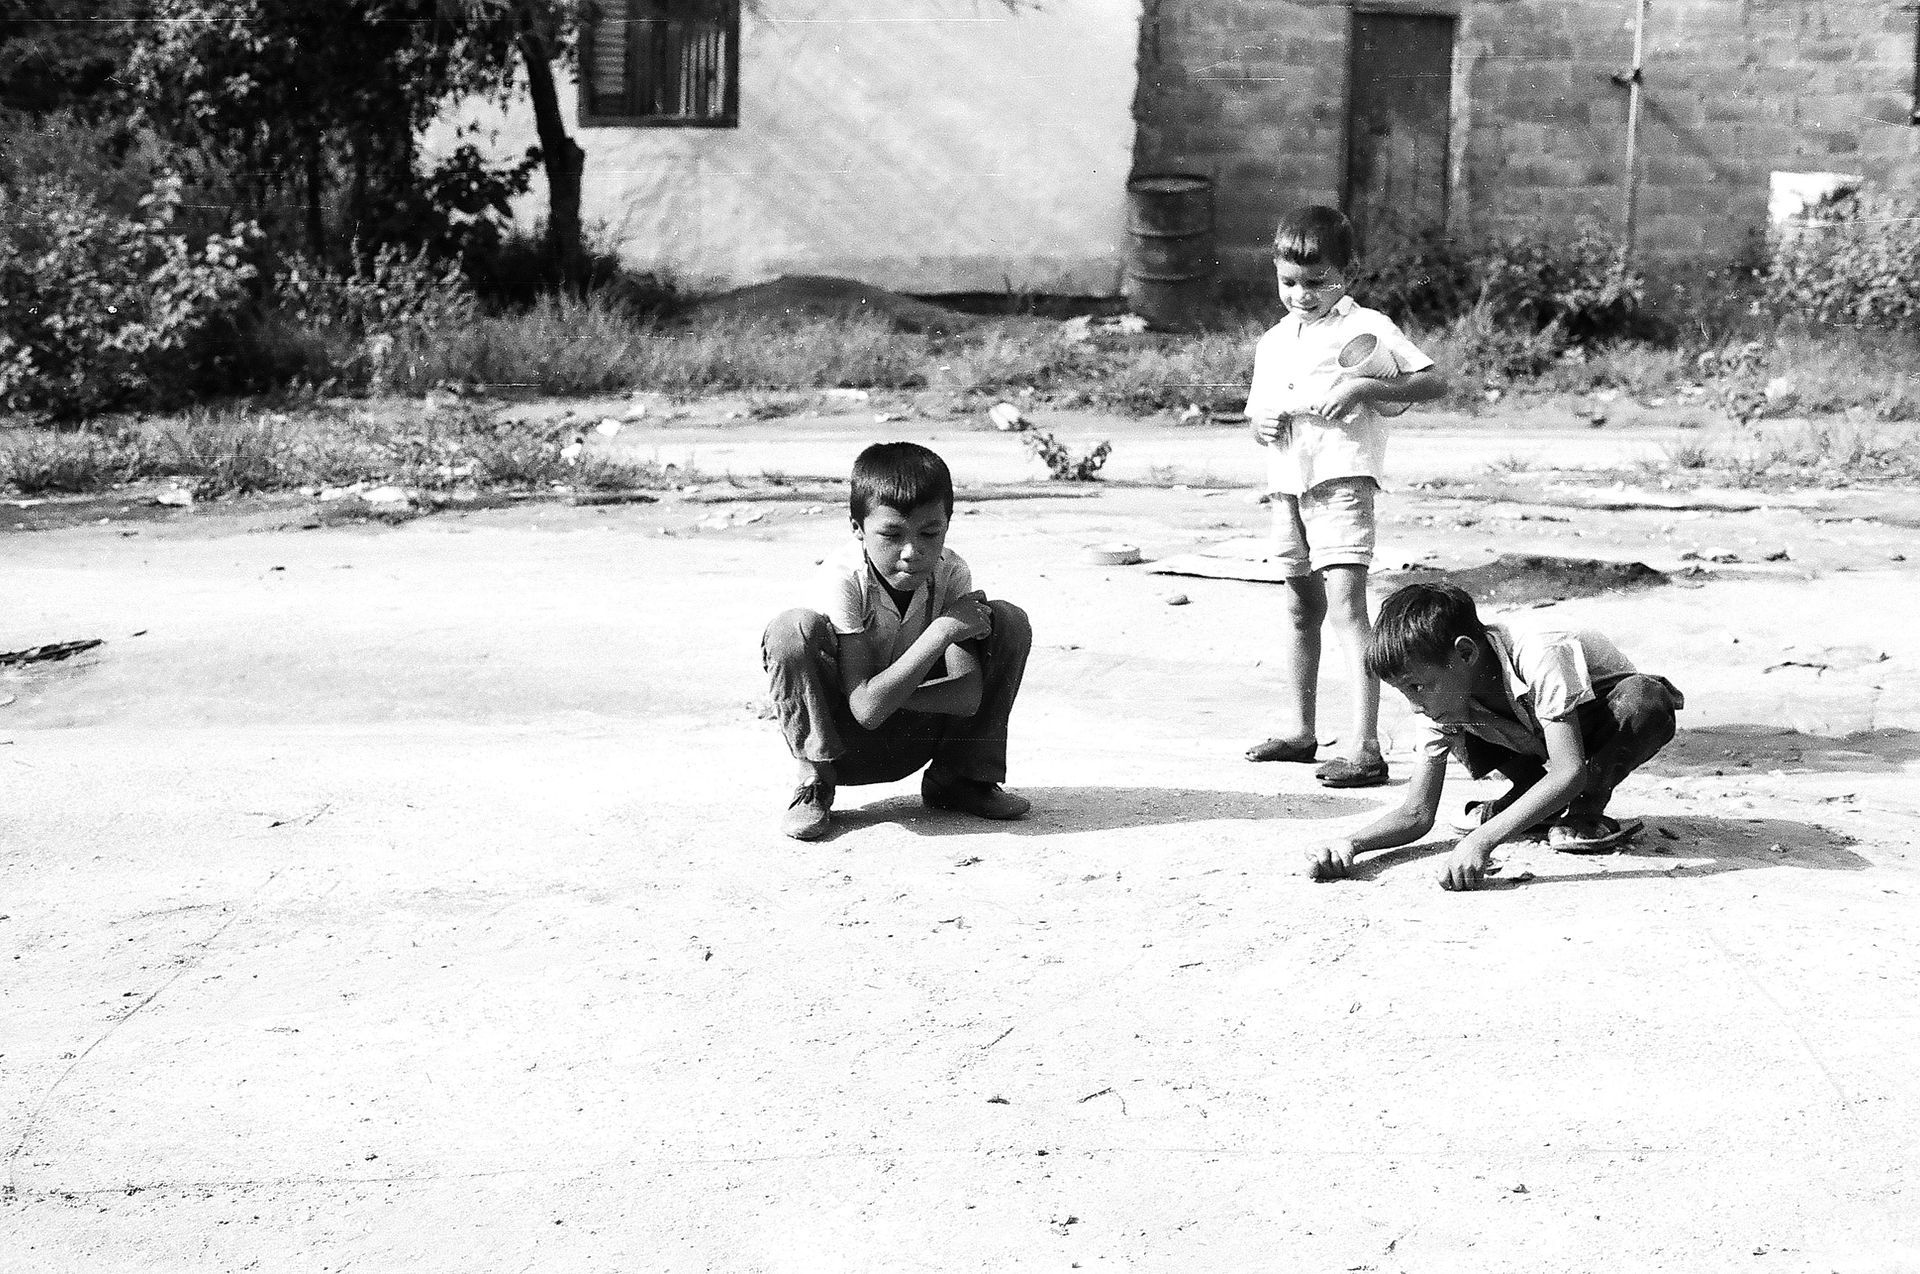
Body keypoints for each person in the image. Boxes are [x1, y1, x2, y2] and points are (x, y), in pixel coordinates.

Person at [1242, 205, 1447, 788]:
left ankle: (1364, 746)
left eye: (1317, 282)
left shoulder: (1369, 329)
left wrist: (1361, 385)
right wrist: (1256, 425)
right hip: (1286, 486)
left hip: (1341, 482)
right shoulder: (1275, 341)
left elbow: (1432, 381)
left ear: (1348, 275)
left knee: (1347, 608)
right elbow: (1257, 412)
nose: (1302, 295)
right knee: (1299, 606)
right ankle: (1301, 730)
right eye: (1289, 282)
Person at [1305, 583, 1685, 891]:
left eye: (1418, 687)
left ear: (1465, 653)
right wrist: (1351, 844)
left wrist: (1481, 840)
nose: (1415, 705)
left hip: (1598, 723)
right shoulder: (1440, 696)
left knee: (1645, 701)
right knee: (1453, 714)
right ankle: (1533, 801)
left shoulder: (1538, 649)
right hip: (1536, 731)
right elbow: (1417, 813)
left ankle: (1586, 811)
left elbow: (1569, 771)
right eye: (1406, 692)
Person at [761, 441, 1032, 840]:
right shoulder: (844, 579)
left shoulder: (951, 572)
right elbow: (865, 712)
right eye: (890, 534)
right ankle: (814, 783)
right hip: (844, 745)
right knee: (791, 629)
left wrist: (882, 694)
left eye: (930, 532)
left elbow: (966, 697)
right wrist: (941, 632)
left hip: (915, 736)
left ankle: (961, 778)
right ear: (858, 529)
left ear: (947, 525)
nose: (911, 552)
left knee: (1007, 619)